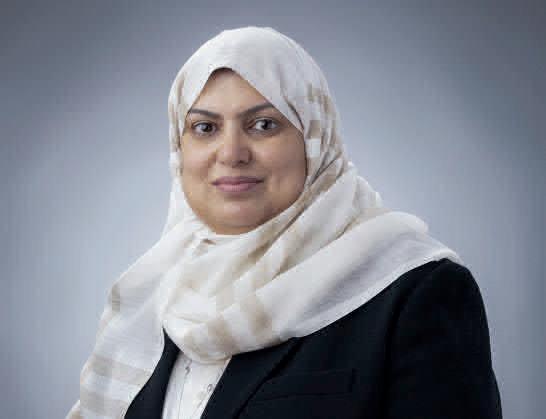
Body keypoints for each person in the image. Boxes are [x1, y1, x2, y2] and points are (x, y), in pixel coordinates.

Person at [66, 26, 502, 419]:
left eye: (263, 124)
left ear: (314, 138)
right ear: (179, 148)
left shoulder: (414, 293)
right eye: (205, 128)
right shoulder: (151, 302)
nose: (231, 153)